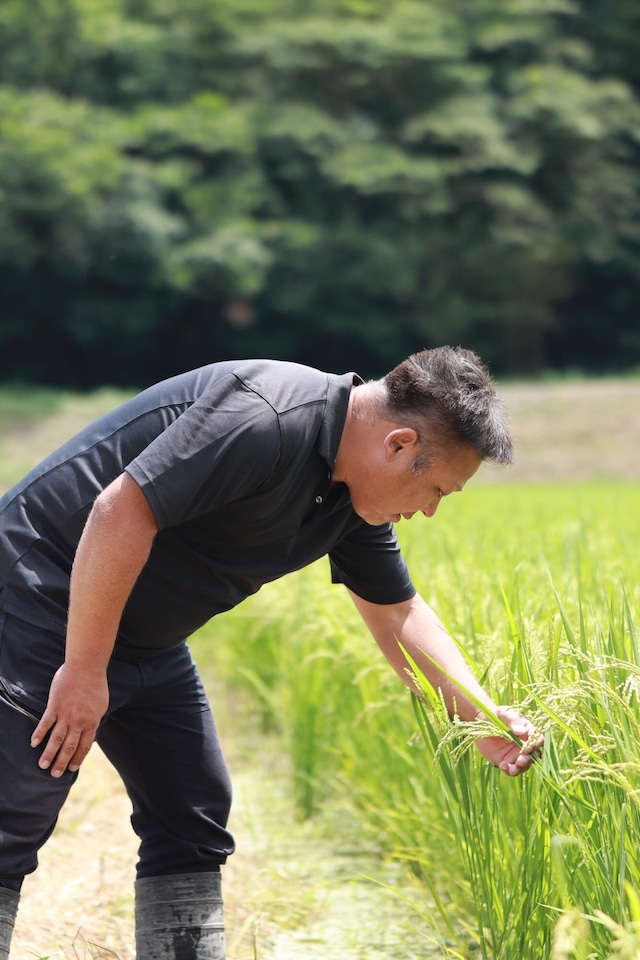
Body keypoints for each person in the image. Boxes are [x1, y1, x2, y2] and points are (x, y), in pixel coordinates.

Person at [0, 347, 541, 959]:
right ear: (398, 445)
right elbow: (119, 510)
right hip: (36, 598)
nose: (430, 510)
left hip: (142, 635)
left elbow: (397, 613)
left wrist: (480, 717)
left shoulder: (352, 497)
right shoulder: (268, 418)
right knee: (11, 817)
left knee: (192, 810)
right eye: (437, 488)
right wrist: (85, 669)